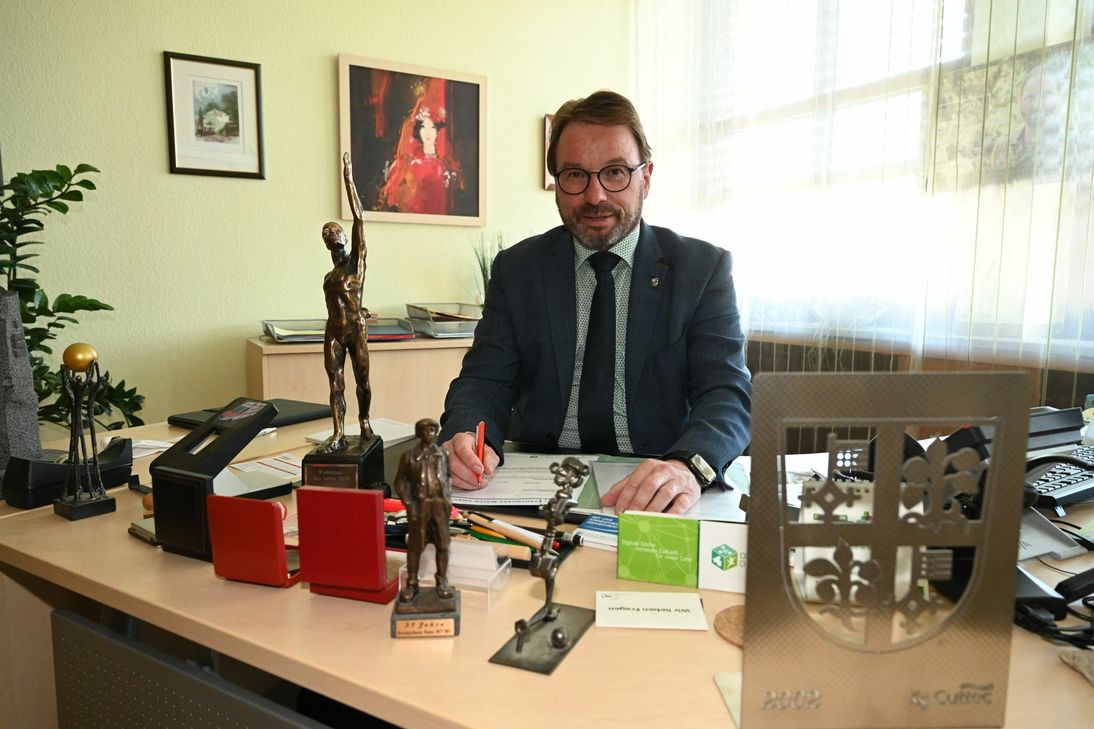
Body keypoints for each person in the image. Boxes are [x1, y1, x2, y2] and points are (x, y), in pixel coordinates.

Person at [438, 90, 751, 514]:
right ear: (556, 183)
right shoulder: (519, 270)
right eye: (575, 175)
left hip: (657, 480)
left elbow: (726, 392)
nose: (595, 195)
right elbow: (484, 381)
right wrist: (464, 437)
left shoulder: (701, 269)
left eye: (616, 172)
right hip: (538, 483)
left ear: (647, 177)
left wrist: (687, 466)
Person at [316, 153, 373, 453]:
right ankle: (338, 432)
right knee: (335, 383)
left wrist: (348, 179)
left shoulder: (355, 266)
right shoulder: (330, 274)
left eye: (335, 230)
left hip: (355, 329)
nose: (331, 233)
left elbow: (359, 218)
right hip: (333, 332)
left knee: (362, 380)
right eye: (327, 232)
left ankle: (364, 421)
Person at [393, 418, 454, 602]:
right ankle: (412, 584)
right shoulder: (410, 456)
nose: (431, 433)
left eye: (434, 430)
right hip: (420, 507)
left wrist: (447, 499)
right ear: (419, 433)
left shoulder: (443, 455)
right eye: (427, 430)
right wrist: (409, 504)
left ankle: (442, 581)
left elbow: (448, 477)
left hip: (439, 507)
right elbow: (400, 482)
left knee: (443, 545)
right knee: (415, 547)